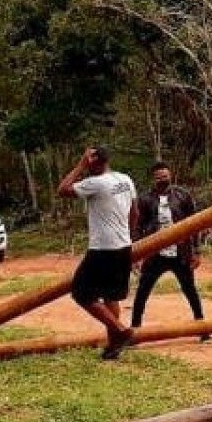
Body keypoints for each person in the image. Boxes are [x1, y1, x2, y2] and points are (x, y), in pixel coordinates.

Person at [58, 145, 137, 358]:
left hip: (103, 248)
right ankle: (113, 348)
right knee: (111, 297)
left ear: (93, 163)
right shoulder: (125, 179)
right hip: (123, 246)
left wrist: (80, 165)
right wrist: (131, 237)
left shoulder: (95, 183)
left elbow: (63, 189)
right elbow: (134, 212)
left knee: (81, 293)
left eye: (88, 162)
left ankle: (121, 330)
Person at [130, 162, 207, 338]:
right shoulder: (145, 199)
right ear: (154, 179)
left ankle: (203, 329)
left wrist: (196, 251)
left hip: (181, 253)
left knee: (190, 290)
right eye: (159, 177)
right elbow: (137, 227)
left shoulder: (182, 195)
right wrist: (137, 253)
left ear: (170, 176)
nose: (163, 180)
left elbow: (194, 224)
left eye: (166, 176)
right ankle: (133, 330)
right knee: (142, 291)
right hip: (154, 254)